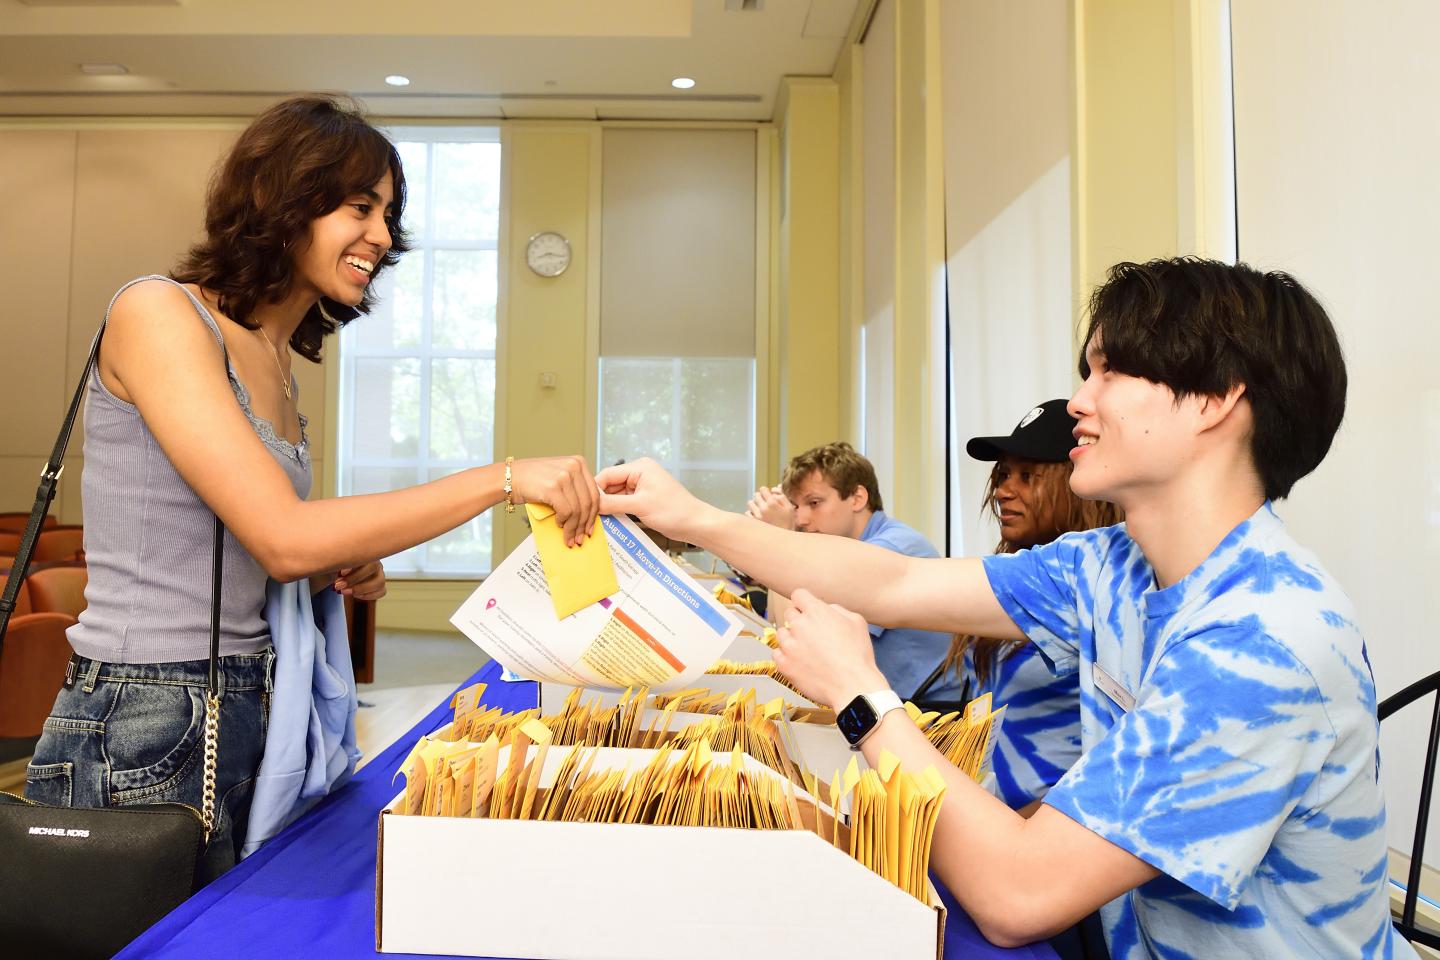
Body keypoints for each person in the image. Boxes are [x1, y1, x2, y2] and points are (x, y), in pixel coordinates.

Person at [597, 257, 1415, 959]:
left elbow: (1019, 893)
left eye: (1109, 372)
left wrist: (860, 697)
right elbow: (892, 585)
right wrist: (693, 518)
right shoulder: (1113, 563)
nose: (1079, 403)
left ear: (1214, 402)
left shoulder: (1263, 639)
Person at [24, 95, 599, 874]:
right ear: (280, 199)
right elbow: (282, 538)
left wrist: (343, 561)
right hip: (145, 708)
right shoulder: (157, 312)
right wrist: (502, 477)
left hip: (250, 699)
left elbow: (262, 540)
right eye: (359, 206)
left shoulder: (277, 358)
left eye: (389, 214)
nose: (382, 236)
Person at [918, 399, 1121, 814]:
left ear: (1074, 483)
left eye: (1027, 476)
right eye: (1003, 474)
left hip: (1050, 833)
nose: (1003, 490)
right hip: (988, 814)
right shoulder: (1012, 575)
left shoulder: (1103, 592)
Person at [745, 442, 958, 702]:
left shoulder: (889, 548)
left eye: (814, 503)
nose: (801, 520)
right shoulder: (851, 549)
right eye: (797, 507)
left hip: (929, 714)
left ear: (857, 498)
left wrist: (779, 540)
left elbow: (799, 639)